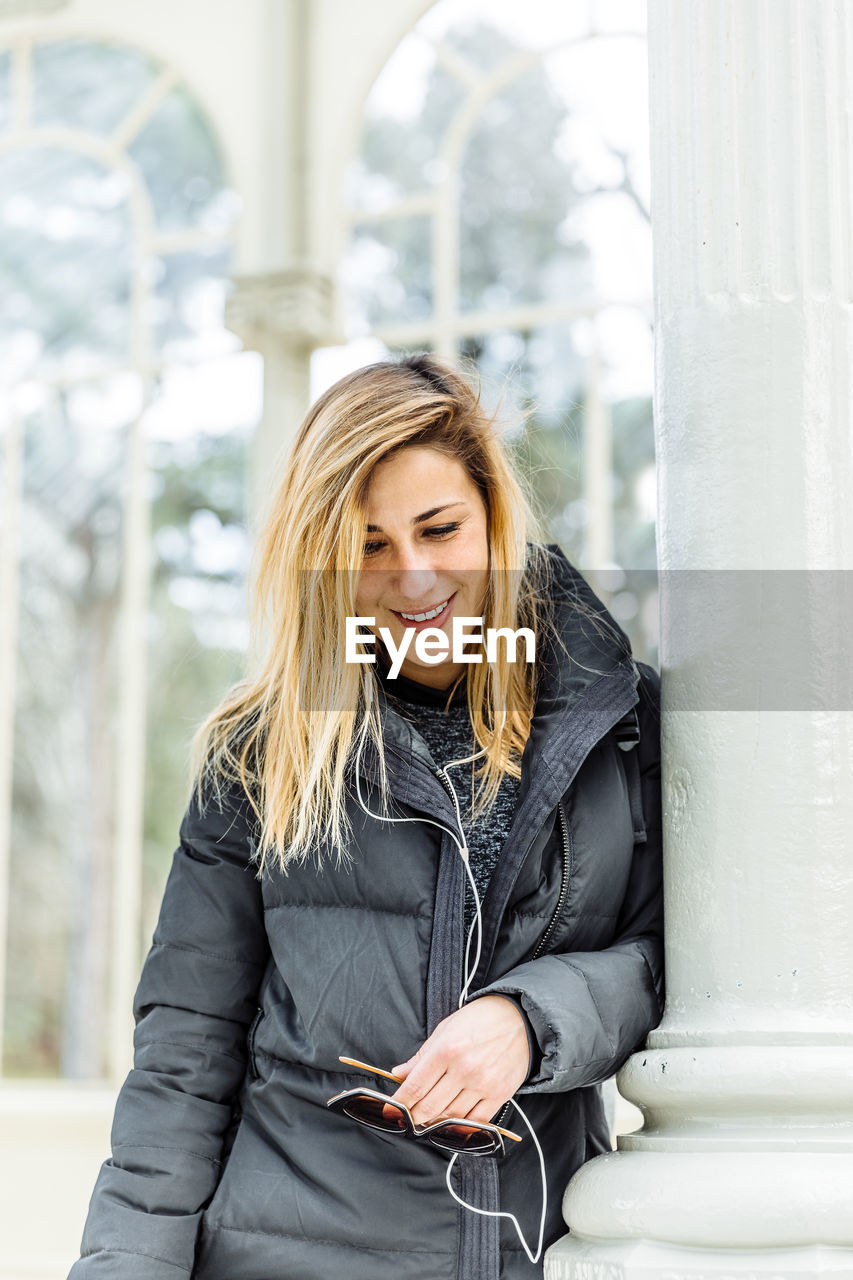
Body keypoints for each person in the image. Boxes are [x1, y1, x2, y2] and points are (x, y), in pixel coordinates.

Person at [69, 354, 664, 1280]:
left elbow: (677, 959)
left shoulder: (619, 726)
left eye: (439, 529)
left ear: (493, 517)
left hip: (536, 1254)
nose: (413, 577)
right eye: (370, 545)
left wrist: (532, 1017)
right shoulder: (259, 752)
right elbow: (184, 1058)